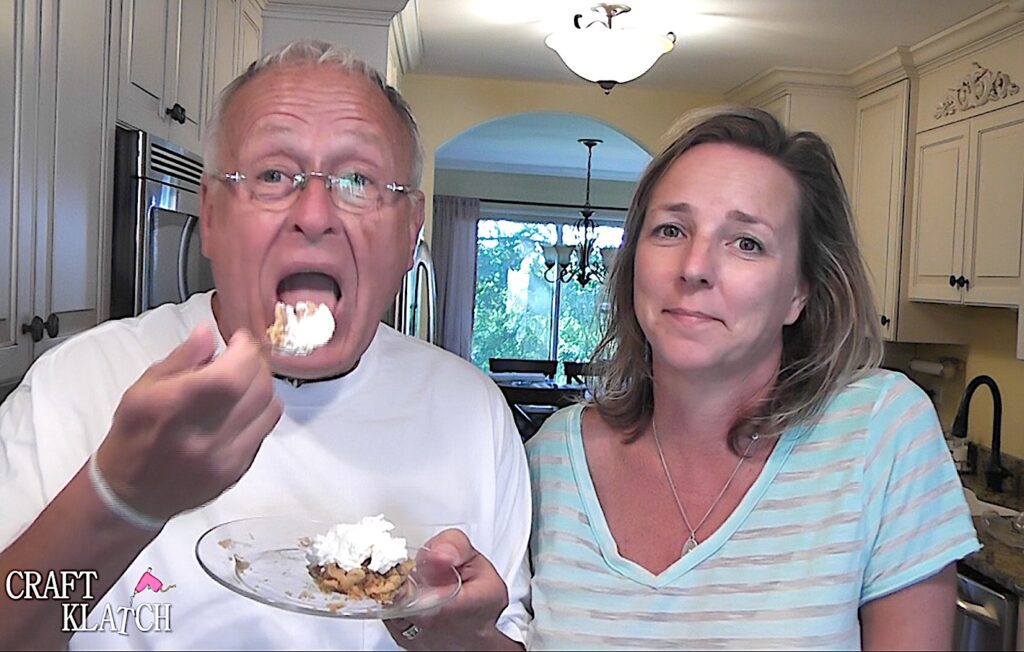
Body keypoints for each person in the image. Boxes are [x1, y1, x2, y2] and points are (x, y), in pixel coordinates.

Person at [0, 40, 530, 650]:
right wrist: (119, 501)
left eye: (357, 180)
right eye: (274, 175)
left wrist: (458, 640)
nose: (314, 213)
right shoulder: (75, 387)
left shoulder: (474, 414)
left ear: (412, 231)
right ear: (212, 213)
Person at [525, 106, 979, 650]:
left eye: (746, 243)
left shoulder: (880, 434)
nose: (694, 267)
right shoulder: (550, 458)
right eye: (671, 229)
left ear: (799, 292)